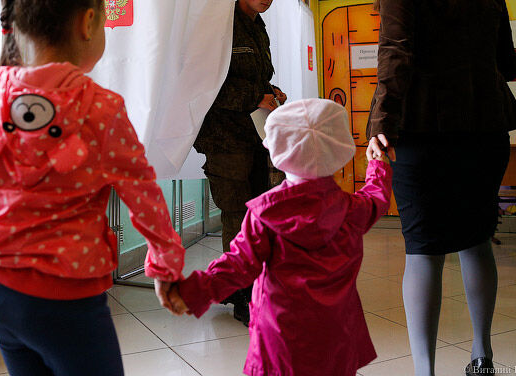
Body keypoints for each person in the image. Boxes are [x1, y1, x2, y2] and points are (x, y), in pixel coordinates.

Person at [0, 0, 186, 376]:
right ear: (88, 23)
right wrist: (165, 264)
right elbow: (144, 196)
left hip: (1, 299)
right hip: (71, 301)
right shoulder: (102, 108)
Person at [365, 0, 516, 376]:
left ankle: (425, 371)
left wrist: (380, 125)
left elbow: (395, 55)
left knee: (423, 250)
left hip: (424, 135)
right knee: (477, 240)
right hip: (486, 131)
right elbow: (509, 66)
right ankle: (482, 356)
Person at [165, 98, 392, 376]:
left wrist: (192, 292)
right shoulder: (352, 210)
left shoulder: (266, 214)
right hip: (336, 335)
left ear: (278, 150)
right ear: (340, 148)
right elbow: (377, 198)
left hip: (281, 341)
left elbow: (237, 265)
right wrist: (377, 165)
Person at [192, 0, 289, 324]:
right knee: (237, 215)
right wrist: (254, 96)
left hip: (253, 135)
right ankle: (242, 296)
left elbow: (254, 76)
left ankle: (247, 286)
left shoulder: (257, 27)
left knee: (256, 213)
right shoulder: (220, 25)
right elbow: (206, 83)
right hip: (224, 138)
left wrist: (270, 91)